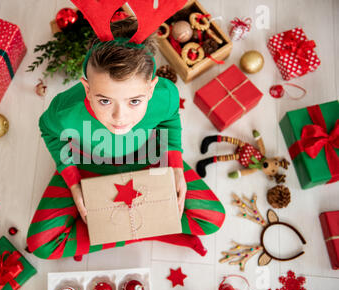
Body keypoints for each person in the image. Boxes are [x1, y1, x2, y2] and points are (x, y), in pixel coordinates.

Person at [26, 17, 225, 260]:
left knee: (211, 218)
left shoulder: (165, 94)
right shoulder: (65, 111)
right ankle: (151, 227)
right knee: (42, 244)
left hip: (148, 159)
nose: (120, 117)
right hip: (87, 165)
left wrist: (174, 166)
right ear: (87, 89)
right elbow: (48, 131)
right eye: (105, 100)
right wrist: (73, 181)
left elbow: (169, 119)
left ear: (150, 89)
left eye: (134, 101)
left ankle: (125, 228)